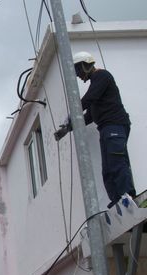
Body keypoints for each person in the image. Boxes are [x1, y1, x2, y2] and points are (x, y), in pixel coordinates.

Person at [55, 51, 136, 208]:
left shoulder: (102, 76)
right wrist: (69, 128)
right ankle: (117, 201)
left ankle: (128, 196)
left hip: (115, 126)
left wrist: (73, 111)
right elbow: (90, 116)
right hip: (106, 129)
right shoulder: (95, 85)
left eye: (78, 70)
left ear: (85, 65)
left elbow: (89, 99)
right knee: (107, 169)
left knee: (116, 163)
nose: (78, 75)